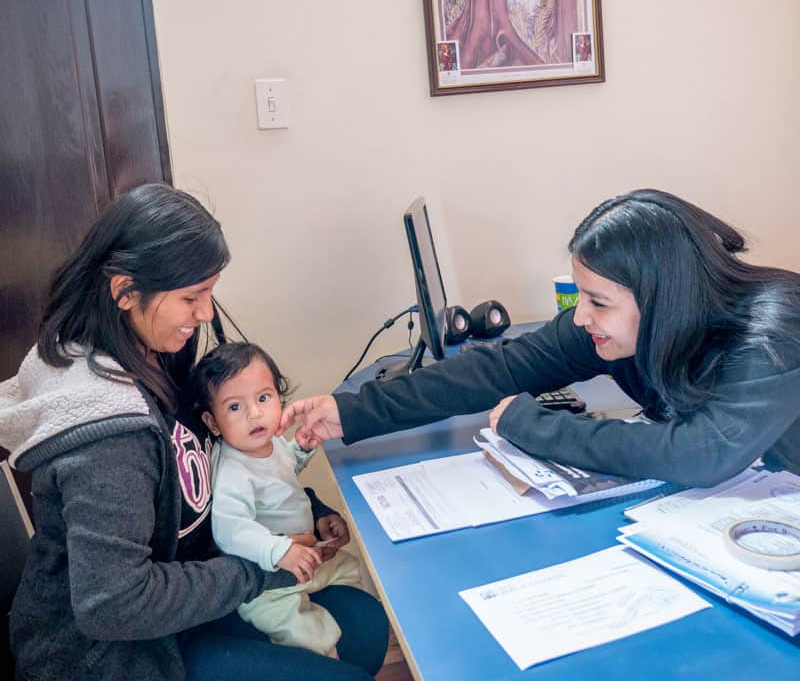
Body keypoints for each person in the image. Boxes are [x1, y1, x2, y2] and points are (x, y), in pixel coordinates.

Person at [0, 183, 387, 681]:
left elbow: (212, 474)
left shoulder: (151, 354)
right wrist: (263, 567)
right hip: (116, 654)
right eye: (191, 297)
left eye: (210, 293)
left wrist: (306, 509)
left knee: (365, 622)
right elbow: (113, 605)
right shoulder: (110, 434)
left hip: (187, 592)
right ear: (124, 291)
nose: (206, 313)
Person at [282, 189, 800, 487]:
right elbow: (501, 368)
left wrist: (528, 424)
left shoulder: (773, 330)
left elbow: (699, 454)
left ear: (660, 298)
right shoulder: (619, 330)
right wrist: (352, 410)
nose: (581, 317)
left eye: (598, 301)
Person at [187, 342, 362, 659]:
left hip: (304, 558)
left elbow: (281, 474)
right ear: (213, 422)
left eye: (263, 398)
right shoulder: (233, 469)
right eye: (235, 407)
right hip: (268, 584)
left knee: (351, 569)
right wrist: (279, 551)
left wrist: (301, 449)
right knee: (312, 639)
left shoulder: (272, 444)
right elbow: (230, 529)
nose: (254, 413)